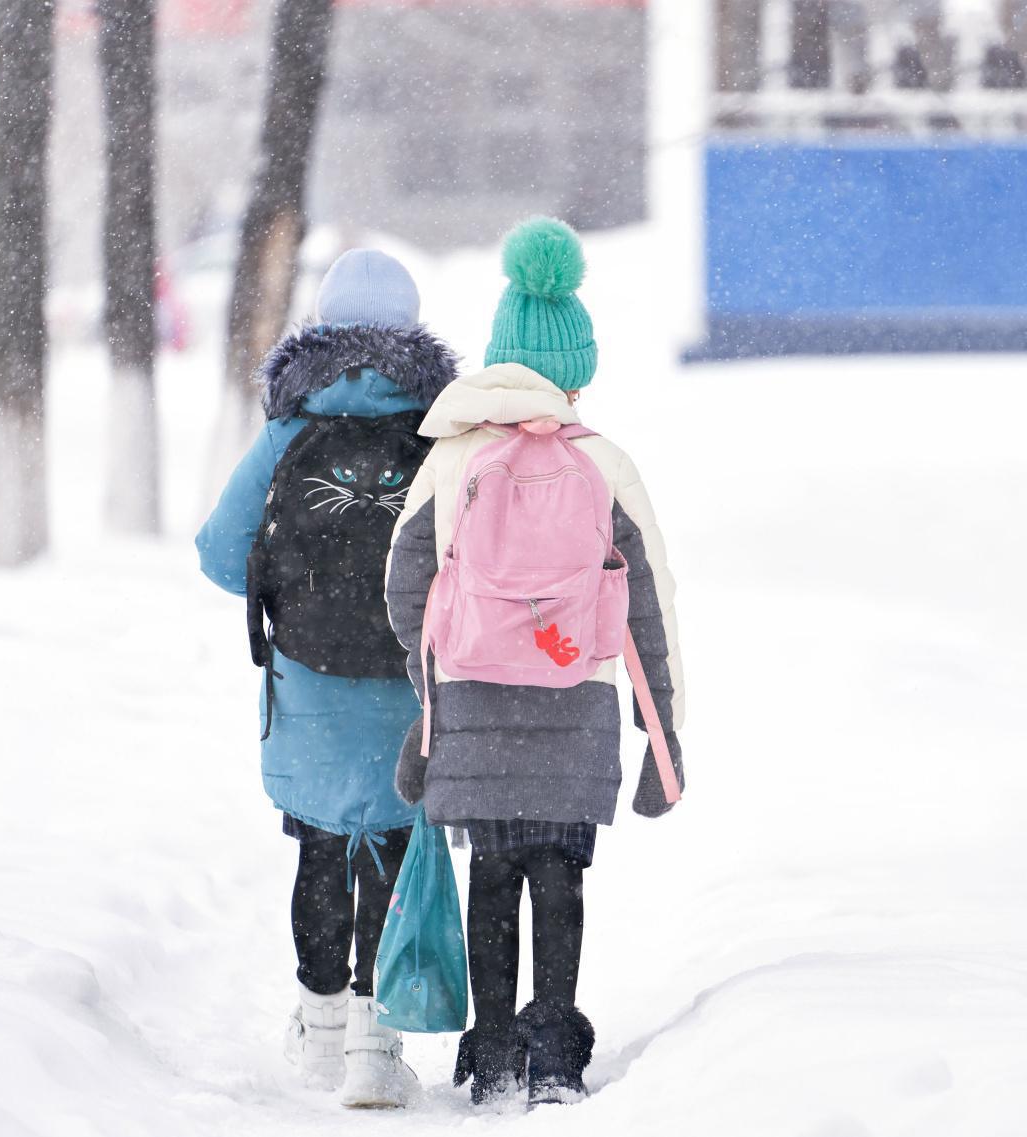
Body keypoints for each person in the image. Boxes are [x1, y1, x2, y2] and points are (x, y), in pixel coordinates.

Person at [385, 218, 686, 1107]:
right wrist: (660, 728)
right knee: (560, 872)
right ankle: (556, 1045)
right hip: (576, 701)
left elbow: (404, 584)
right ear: (579, 370)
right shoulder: (606, 463)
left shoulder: (451, 457)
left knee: (493, 872)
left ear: (498, 358)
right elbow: (650, 609)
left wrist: (434, 667)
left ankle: (495, 1052)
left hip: (475, 699)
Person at [196, 249, 457, 1107]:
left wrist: (298, 587)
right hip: (407, 677)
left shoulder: (288, 429)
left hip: (306, 676)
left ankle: (316, 1027)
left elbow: (219, 556)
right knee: (387, 843)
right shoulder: (441, 433)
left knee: (319, 842)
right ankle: (375, 1045)